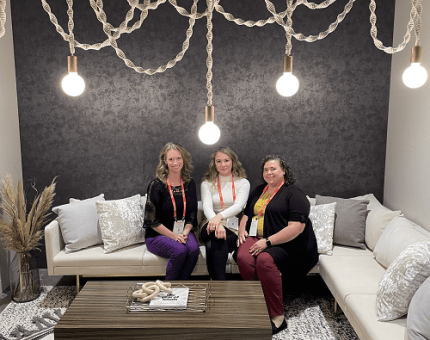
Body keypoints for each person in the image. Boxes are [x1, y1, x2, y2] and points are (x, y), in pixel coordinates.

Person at [236, 155, 319, 335]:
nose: (269, 172)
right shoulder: (259, 190)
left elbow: (296, 228)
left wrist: (267, 242)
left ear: (283, 171)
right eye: (266, 169)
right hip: (258, 236)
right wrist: (242, 229)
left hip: (287, 242)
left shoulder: (294, 194)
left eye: (273, 169)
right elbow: (246, 214)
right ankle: (258, 303)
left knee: (264, 261)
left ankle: (277, 317)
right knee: (242, 257)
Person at [143, 142, 199, 280]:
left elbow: (192, 214)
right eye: (171, 159)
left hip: (182, 232)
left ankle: (182, 286)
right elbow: (152, 221)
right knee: (179, 250)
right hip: (157, 235)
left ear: (184, 159)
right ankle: (169, 288)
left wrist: (184, 233)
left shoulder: (189, 183)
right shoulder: (156, 185)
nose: (175, 163)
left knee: (193, 250)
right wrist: (174, 236)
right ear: (165, 161)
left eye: (178, 158)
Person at [200, 147, 250, 280]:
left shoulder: (243, 183)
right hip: (210, 222)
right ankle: (221, 285)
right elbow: (207, 207)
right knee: (217, 236)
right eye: (219, 161)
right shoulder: (207, 183)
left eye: (226, 160)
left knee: (214, 243)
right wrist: (217, 222)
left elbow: (239, 206)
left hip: (233, 226)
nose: (223, 165)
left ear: (233, 161)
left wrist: (220, 217)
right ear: (214, 163)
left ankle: (216, 284)